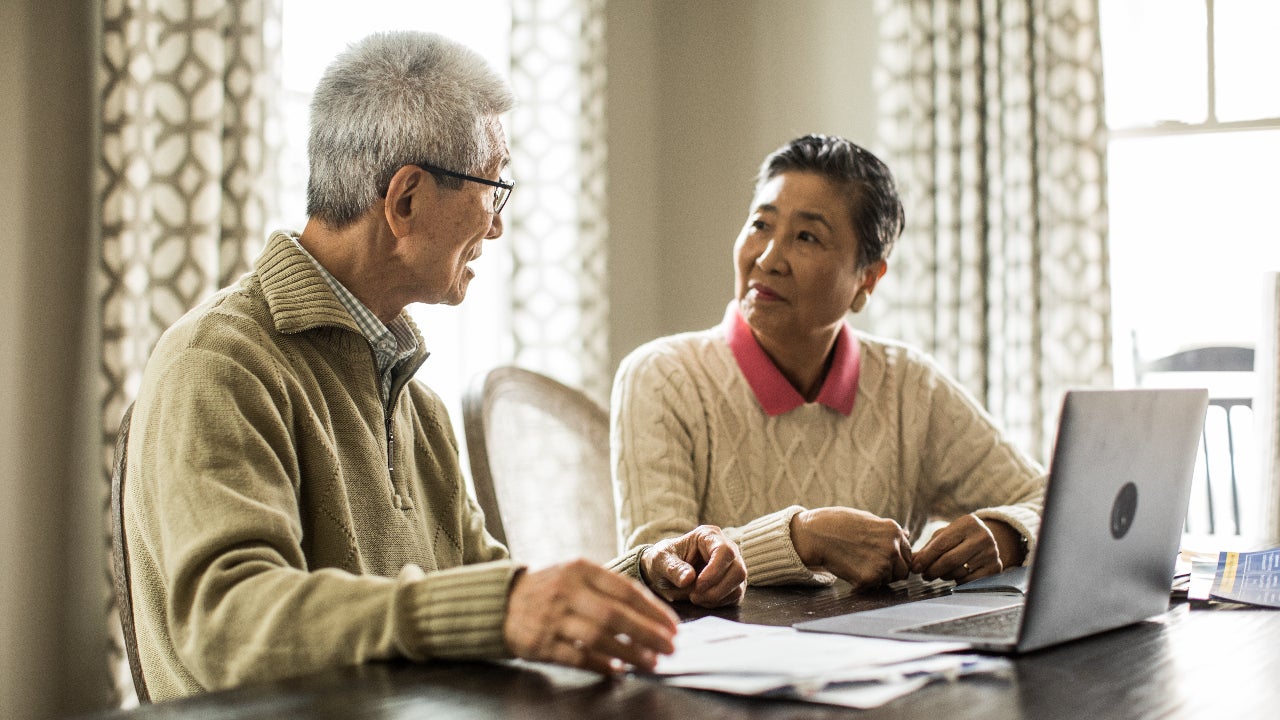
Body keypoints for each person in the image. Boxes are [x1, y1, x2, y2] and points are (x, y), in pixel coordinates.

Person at [125, 31, 745, 701]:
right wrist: (500, 607)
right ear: (407, 200)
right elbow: (228, 627)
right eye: (494, 185)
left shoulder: (415, 402)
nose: (498, 225)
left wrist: (644, 580)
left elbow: (487, 595)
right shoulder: (218, 362)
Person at [611, 134, 1045, 592]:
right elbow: (656, 568)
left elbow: (1053, 501)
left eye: (806, 237)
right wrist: (801, 539)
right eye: (761, 224)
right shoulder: (662, 377)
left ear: (868, 278)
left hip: (887, 658)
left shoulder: (910, 385)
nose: (768, 258)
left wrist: (1009, 534)